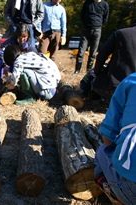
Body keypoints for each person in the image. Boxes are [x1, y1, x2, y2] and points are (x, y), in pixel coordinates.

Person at [94, 72, 136, 205]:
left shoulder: (131, 82)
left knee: (101, 152)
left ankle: (116, 194)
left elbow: (108, 138)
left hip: (132, 189)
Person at [79, 20, 136, 103]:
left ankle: (95, 98)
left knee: (91, 77)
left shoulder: (120, 33)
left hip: (116, 86)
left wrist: (97, 73)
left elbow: (102, 55)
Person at [74, 0, 109, 74]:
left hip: (97, 30)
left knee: (93, 53)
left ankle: (88, 71)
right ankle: (77, 70)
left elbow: (105, 18)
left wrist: (98, 25)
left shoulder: (105, 5)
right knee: (81, 52)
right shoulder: (88, 2)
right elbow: (82, 15)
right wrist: (87, 24)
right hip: (86, 30)